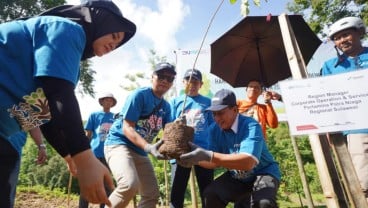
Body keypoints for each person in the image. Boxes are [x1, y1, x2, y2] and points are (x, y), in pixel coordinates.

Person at [0, 1, 136, 205]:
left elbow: (44, 115)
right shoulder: (66, 28)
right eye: (114, 36)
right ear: (100, 20)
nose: (113, 46)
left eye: (117, 45)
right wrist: (84, 158)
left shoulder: (67, 65)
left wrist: (68, 155)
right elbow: (59, 94)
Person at [180, 89, 281, 208]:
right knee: (210, 194)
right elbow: (213, 163)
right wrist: (191, 157)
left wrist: (209, 155)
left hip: (264, 173)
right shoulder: (214, 130)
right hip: (237, 177)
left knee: (264, 203)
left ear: (235, 110)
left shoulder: (250, 125)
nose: (217, 118)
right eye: (214, 114)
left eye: (221, 113)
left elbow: (248, 162)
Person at [104, 62, 176, 208]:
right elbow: (127, 128)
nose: (165, 80)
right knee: (129, 185)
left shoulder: (166, 107)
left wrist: (179, 129)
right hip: (119, 144)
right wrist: (148, 147)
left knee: (151, 194)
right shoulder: (139, 95)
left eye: (169, 79)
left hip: (141, 151)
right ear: (152, 77)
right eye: (161, 76)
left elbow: (169, 135)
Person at [321, 16, 368, 199]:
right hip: (357, 130)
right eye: (337, 38)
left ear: (359, 33)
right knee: (363, 182)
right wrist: (329, 128)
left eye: (346, 34)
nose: (342, 40)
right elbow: (327, 99)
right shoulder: (330, 67)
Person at [169, 69, 214, 208]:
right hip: (180, 152)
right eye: (188, 81)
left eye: (195, 81)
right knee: (177, 193)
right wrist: (175, 123)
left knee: (208, 192)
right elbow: (168, 127)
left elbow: (214, 127)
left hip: (203, 151)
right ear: (183, 83)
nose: (191, 84)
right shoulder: (175, 102)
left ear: (201, 84)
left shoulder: (208, 102)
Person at [79, 92, 117, 208]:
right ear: (102, 102)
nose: (108, 102)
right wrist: (81, 150)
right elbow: (88, 134)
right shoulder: (94, 115)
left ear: (112, 103)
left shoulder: (115, 117)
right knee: (88, 182)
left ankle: (104, 206)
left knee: (106, 184)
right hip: (94, 153)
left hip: (109, 154)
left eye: (110, 100)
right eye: (106, 100)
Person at [2, 128, 47, 207]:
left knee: (5, 196)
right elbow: (32, 123)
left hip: (13, 149)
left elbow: (32, 122)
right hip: (10, 147)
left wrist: (41, 146)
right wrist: (41, 146)